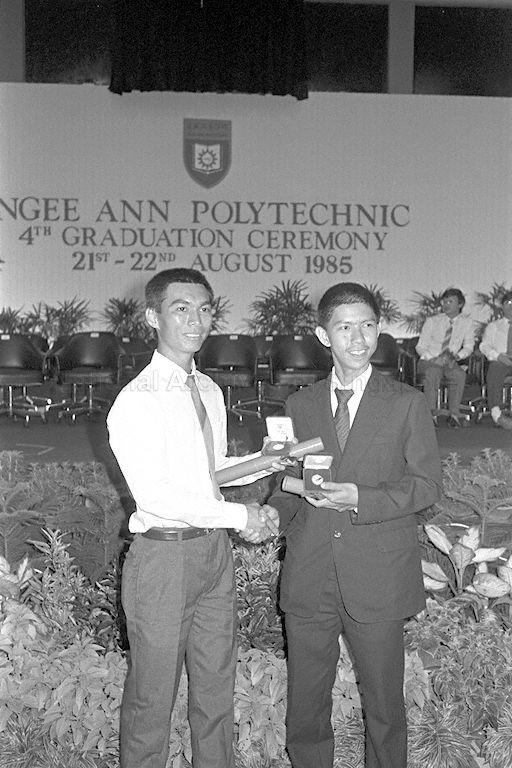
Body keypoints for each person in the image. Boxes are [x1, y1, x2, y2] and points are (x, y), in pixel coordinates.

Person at [107, 268, 283, 768]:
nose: (196, 320)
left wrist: (265, 460)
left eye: (205, 309)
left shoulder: (206, 388)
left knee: (215, 693)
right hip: (163, 559)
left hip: (213, 556)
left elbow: (207, 472)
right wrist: (239, 514)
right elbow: (158, 496)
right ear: (152, 317)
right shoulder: (137, 401)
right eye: (181, 308)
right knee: (151, 699)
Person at [268, 282, 442, 768]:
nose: (359, 338)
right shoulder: (301, 406)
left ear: (379, 329)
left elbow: (427, 485)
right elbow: (292, 485)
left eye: (368, 325)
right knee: (306, 707)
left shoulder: (405, 402)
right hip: (310, 573)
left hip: (377, 575)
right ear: (324, 336)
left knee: (386, 710)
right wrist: (268, 515)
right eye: (345, 327)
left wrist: (362, 498)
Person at [415, 287, 475, 427]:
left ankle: (453, 414)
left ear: (460, 304)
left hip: (450, 361)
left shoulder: (467, 323)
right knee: (433, 372)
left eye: (450, 302)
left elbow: (469, 346)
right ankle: (431, 415)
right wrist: (433, 358)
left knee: (459, 375)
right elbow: (420, 346)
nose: (445, 305)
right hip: (429, 361)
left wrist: (457, 356)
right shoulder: (432, 321)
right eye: (444, 301)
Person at [479, 290, 512, 430]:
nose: (511, 306)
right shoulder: (494, 326)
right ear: (502, 306)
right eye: (508, 303)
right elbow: (484, 346)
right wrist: (498, 356)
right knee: (495, 368)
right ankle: (496, 413)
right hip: (501, 359)